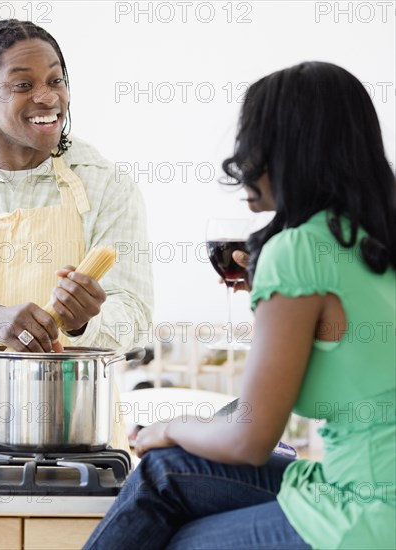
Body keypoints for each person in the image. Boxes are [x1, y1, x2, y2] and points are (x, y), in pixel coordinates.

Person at [84, 61, 396, 549]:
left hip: (366, 517)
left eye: (253, 137)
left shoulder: (296, 251)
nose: (241, 158)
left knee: (179, 536)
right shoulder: (371, 245)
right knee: (166, 471)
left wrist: (169, 425)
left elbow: (249, 440)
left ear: (291, 149)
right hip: (361, 490)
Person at [0, 19, 153, 444]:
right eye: (23, 85)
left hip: (80, 429)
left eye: (55, 80)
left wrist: (84, 324)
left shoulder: (105, 184)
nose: (48, 97)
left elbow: (134, 315)